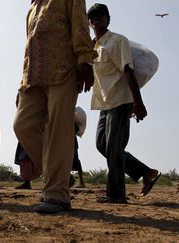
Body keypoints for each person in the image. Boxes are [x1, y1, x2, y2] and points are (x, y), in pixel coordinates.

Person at [13, 0, 97, 214]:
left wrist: (85, 61)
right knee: (23, 125)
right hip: (33, 77)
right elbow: (29, 45)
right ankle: (58, 176)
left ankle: (57, 195)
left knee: (58, 130)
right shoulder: (32, 7)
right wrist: (23, 81)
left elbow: (80, 24)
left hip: (64, 70)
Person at [88, 3, 160, 204]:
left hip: (121, 100)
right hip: (104, 102)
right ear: (90, 23)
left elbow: (128, 70)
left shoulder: (117, 41)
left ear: (108, 19)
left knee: (113, 146)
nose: (96, 20)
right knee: (102, 144)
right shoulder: (93, 47)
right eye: (93, 18)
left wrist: (138, 103)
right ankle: (145, 172)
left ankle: (116, 193)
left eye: (101, 16)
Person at [72, 106, 87, 188]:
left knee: (76, 160)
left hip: (71, 142)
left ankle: (81, 181)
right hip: (63, 141)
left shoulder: (72, 117)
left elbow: (77, 129)